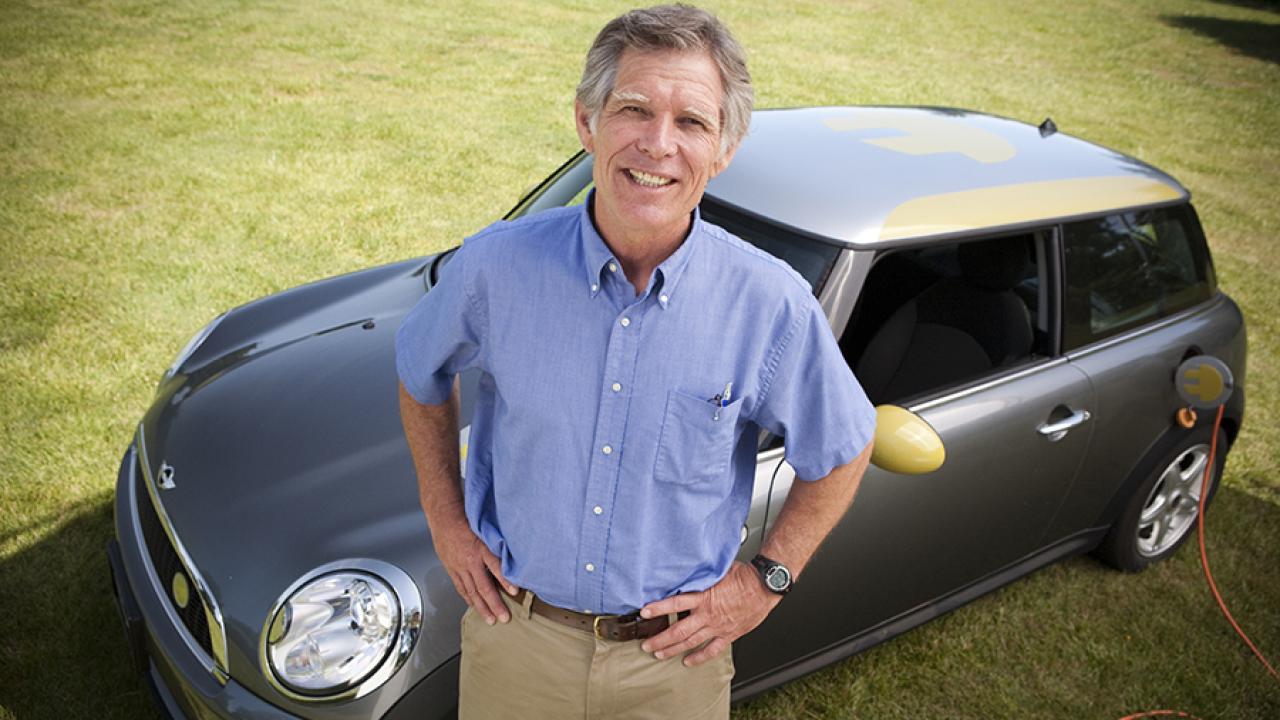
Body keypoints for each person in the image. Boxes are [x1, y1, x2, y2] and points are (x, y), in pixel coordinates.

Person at [396, 5, 876, 718]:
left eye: (692, 122)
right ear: (587, 122)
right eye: (634, 109)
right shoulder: (493, 269)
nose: (658, 144)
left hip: (673, 666)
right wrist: (446, 523)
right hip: (516, 643)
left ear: (725, 147)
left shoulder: (770, 304)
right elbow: (418, 374)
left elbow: (844, 448)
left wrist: (766, 580)